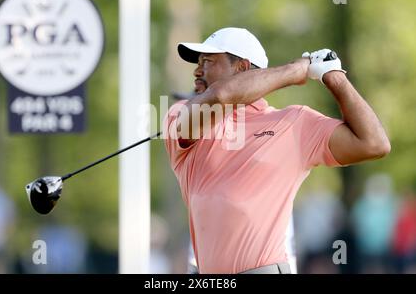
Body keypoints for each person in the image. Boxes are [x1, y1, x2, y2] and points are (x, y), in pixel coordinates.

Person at [162, 27, 391, 274]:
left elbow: (374, 144)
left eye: (207, 61)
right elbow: (223, 94)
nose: (197, 70)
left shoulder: (294, 123)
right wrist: (295, 71)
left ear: (241, 68)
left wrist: (334, 78)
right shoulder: (180, 114)